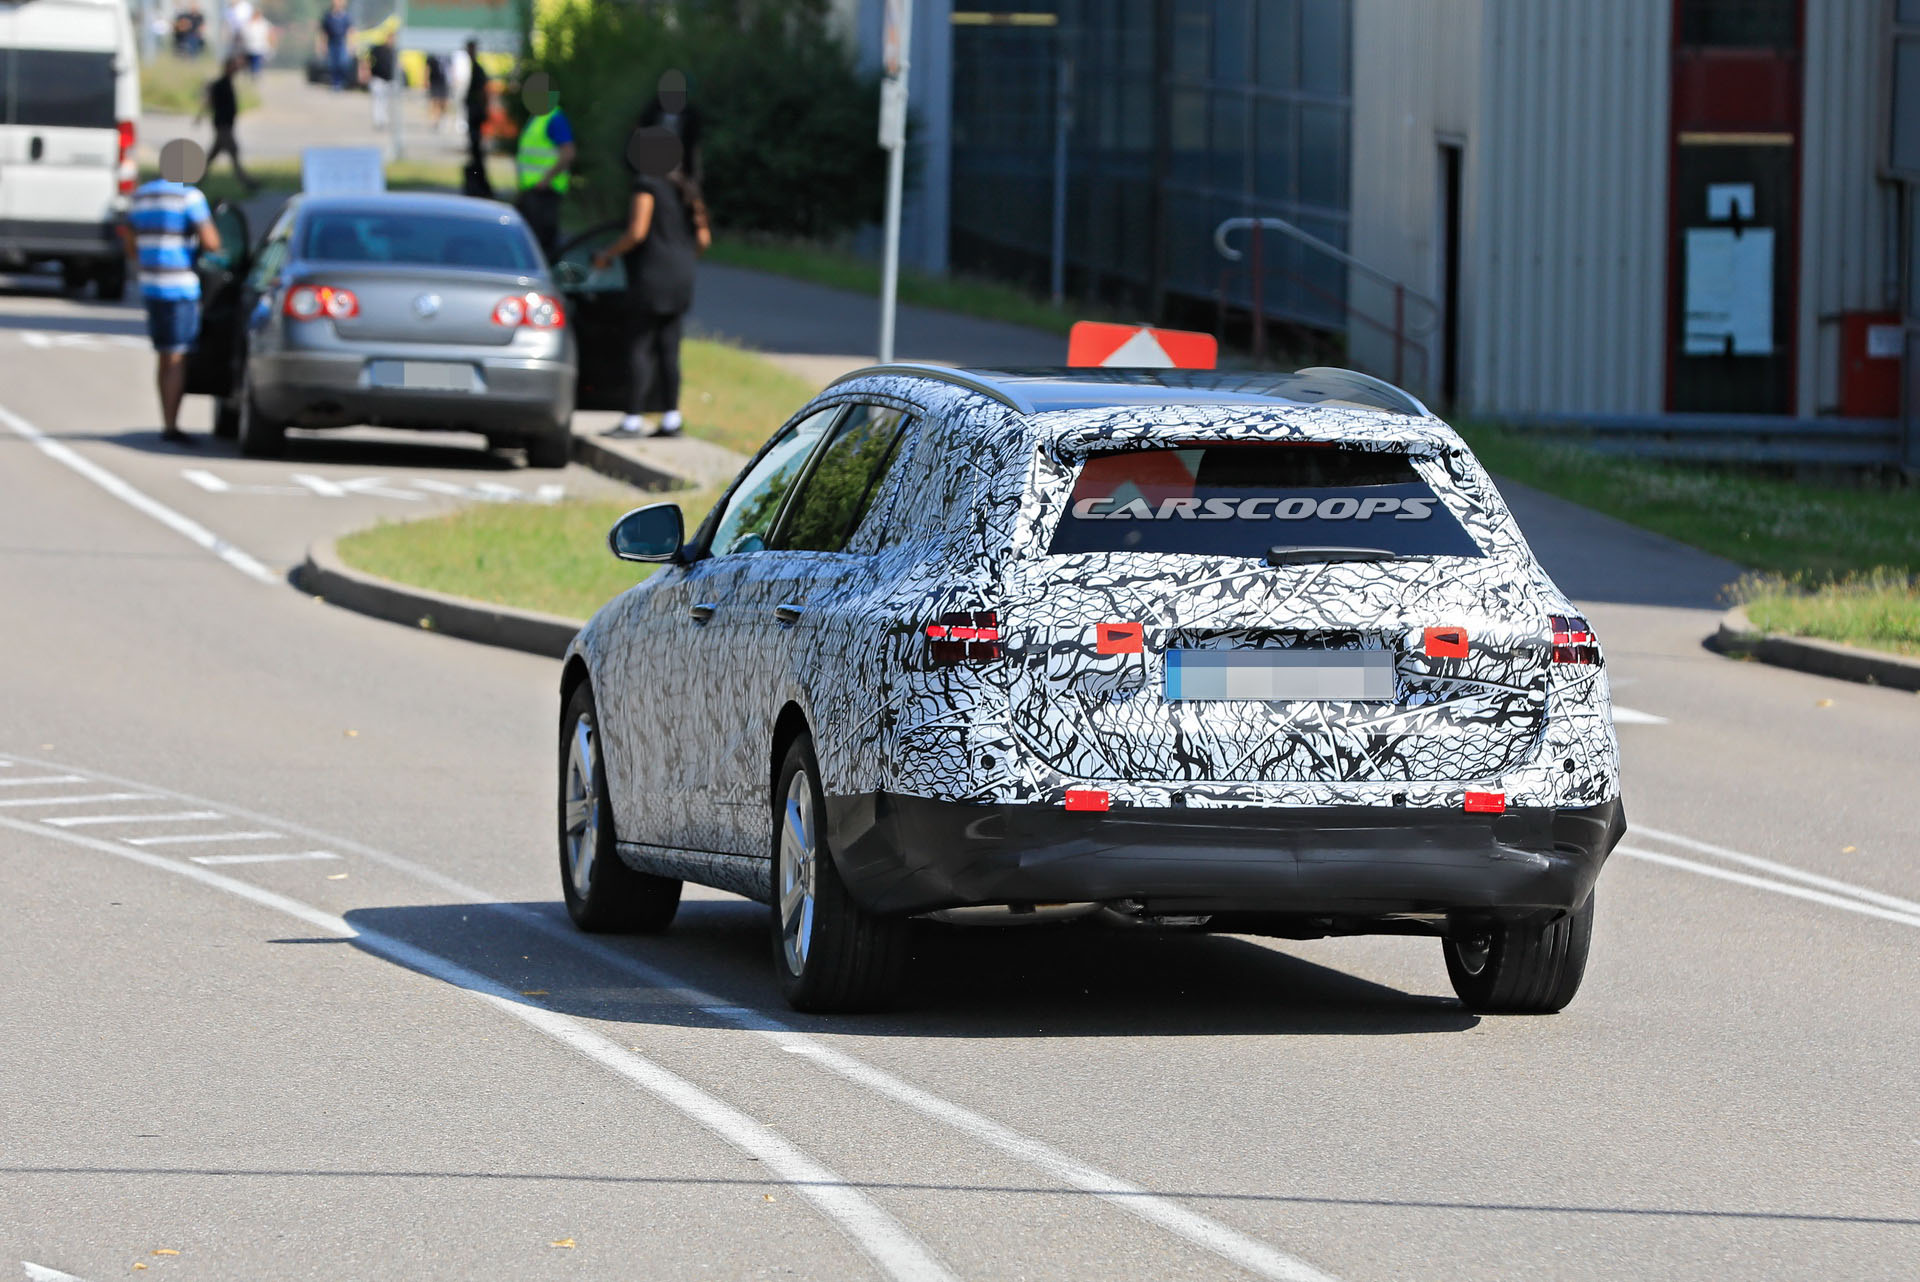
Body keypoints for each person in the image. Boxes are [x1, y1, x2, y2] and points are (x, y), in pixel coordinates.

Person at [592, 128, 710, 438]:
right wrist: (682, 258)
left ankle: (633, 419)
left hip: (652, 275)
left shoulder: (646, 184)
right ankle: (671, 418)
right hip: (681, 276)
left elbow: (637, 233)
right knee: (670, 348)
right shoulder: (688, 187)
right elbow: (703, 238)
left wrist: (606, 254)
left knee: (640, 346)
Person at [120, 142, 222, 445]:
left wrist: (143, 261)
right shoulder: (190, 197)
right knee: (177, 355)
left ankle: (166, 417)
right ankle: (171, 425)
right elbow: (212, 242)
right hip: (180, 286)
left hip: (151, 285)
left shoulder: (141, 196)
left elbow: (128, 238)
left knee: (164, 353)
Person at [513, 74, 574, 261]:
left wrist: (547, 178)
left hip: (545, 191)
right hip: (533, 190)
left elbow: (568, 152)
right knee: (530, 241)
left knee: (542, 243)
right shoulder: (538, 117)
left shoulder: (554, 118)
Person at [196, 54, 258, 191]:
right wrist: (199, 117)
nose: (237, 69)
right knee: (233, 152)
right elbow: (208, 102)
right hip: (223, 125)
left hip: (226, 125)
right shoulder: (220, 84)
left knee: (213, 155)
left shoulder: (228, 83)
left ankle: (197, 180)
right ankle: (247, 182)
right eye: (234, 66)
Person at [317, 0, 353, 92]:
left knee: (343, 63)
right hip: (332, 42)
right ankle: (335, 83)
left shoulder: (346, 16)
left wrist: (351, 45)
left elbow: (350, 31)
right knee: (333, 64)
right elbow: (323, 32)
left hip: (342, 43)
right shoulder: (328, 16)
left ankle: (341, 82)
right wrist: (323, 44)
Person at [367, 37, 395, 130]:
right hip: (377, 79)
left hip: (389, 80)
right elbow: (369, 61)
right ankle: (377, 121)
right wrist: (367, 73)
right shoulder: (377, 49)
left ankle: (383, 121)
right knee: (377, 101)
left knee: (386, 102)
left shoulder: (393, 51)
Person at [242, 11, 273, 79]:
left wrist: (270, 45)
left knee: (256, 61)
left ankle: (256, 74)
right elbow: (244, 34)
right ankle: (252, 73)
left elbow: (269, 35)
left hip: (260, 47)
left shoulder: (264, 24)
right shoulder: (248, 23)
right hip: (249, 47)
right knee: (251, 62)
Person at [426, 53, 450, 133]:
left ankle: (442, 119)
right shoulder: (431, 55)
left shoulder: (447, 55)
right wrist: (426, 80)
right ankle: (435, 122)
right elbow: (427, 68)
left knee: (444, 103)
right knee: (435, 102)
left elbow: (450, 68)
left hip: (444, 82)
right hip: (434, 82)